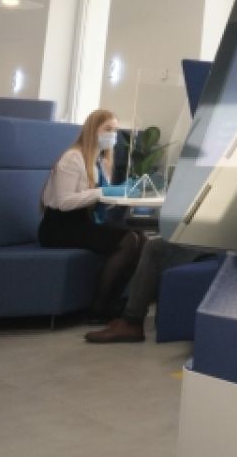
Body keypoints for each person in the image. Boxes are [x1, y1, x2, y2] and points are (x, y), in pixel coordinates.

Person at [38, 109, 145, 322]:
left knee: (141, 238)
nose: (112, 135)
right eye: (108, 129)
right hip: (58, 227)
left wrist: (120, 192)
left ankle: (114, 302)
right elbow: (64, 202)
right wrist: (102, 192)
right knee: (128, 240)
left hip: (82, 222)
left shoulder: (100, 162)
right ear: (92, 130)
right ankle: (98, 308)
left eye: (115, 130)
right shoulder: (72, 158)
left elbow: (97, 200)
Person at [83, 238, 213, 344]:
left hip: (215, 244)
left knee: (153, 247)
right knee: (141, 240)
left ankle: (131, 321)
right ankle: (126, 312)